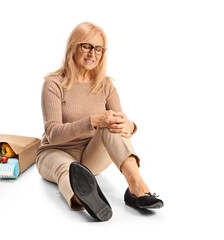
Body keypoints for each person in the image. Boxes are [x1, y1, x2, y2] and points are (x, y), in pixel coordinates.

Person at [35, 22, 163, 222]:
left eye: (98, 49)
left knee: (112, 126)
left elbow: (119, 124)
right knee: (67, 169)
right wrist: (94, 120)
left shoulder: (106, 86)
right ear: (73, 47)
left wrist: (130, 126)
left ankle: (137, 187)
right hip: (55, 152)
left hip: (90, 156)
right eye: (86, 46)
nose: (92, 53)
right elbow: (53, 134)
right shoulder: (54, 83)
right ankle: (83, 197)